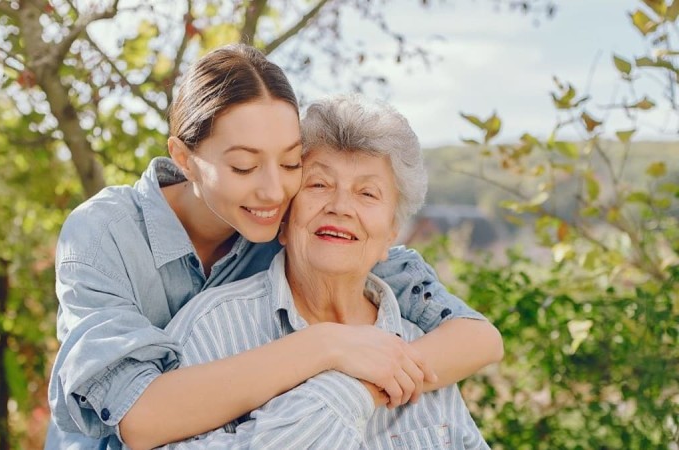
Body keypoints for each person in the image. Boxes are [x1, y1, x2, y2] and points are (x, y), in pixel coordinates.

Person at [46, 44, 503, 450]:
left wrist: (374, 378)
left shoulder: (292, 219)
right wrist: (326, 345)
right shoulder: (104, 233)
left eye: (289, 163)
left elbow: (476, 336)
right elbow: (140, 419)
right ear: (184, 159)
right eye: (244, 166)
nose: (272, 190)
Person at [161, 94, 492, 449]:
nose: (341, 207)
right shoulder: (214, 329)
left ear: (391, 236)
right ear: (283, 218)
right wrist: (342, 392)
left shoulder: (420, 349)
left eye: (367, 193)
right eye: (319, 185)